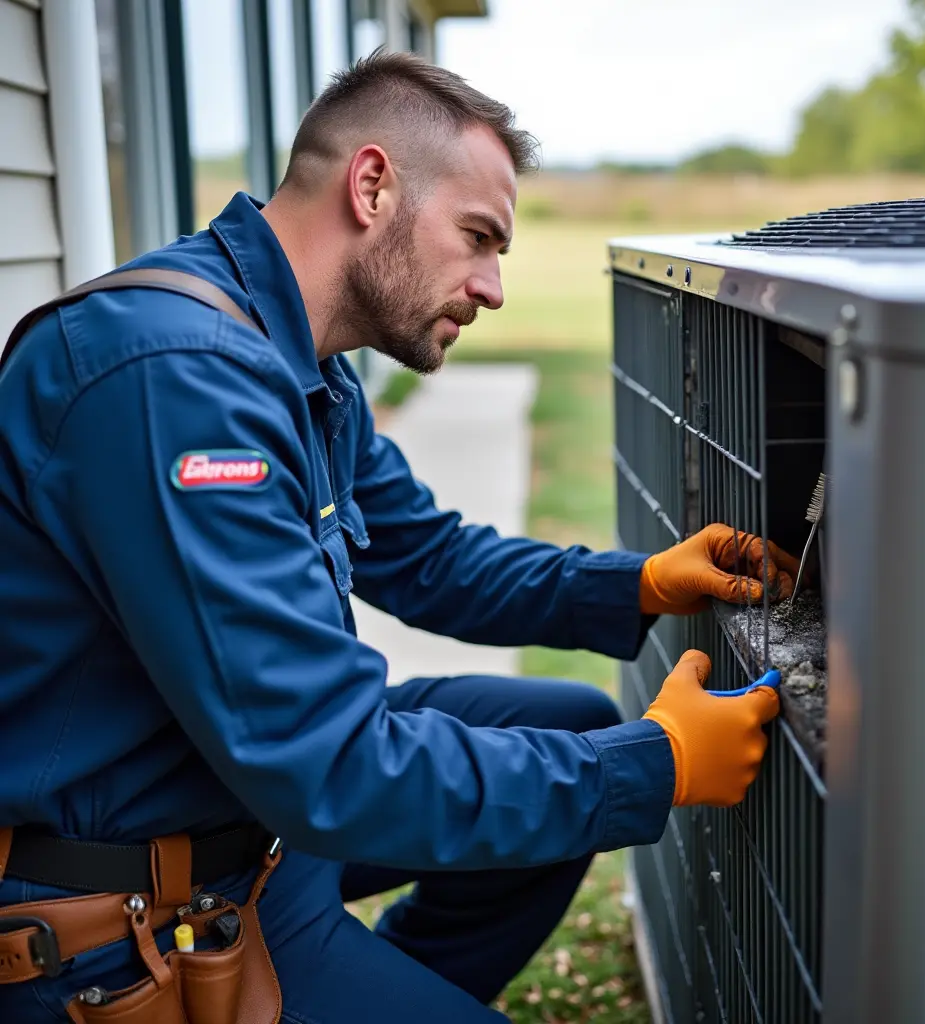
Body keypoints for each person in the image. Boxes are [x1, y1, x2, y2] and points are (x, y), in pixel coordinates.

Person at [0, 50, 797, 1023]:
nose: (492, 285)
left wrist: (635, 584)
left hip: (249, 830)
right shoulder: (174, 380)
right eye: (476, 237)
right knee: (598, 751)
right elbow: (330, 762)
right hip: (127, 919)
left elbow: (428, 559)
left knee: (570, 723)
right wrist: (655, 765)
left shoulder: (294, 360)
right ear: (372, 184)